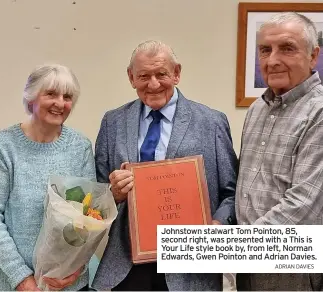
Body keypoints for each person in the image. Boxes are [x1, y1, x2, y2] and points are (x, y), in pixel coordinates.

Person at [91, 40, 238, 291]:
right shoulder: (113, 122)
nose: (154, 84)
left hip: (189, 268)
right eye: (144, 76)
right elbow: (95, 195)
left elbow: (232, 192)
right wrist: (113, 194)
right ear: (131, 77)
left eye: (161, 74)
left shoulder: (211, 122)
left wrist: (218, 224)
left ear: (177, 73)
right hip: (126, 266)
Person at [0, 64, 96, 291]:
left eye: (67, 97)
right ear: (31, 98)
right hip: (9, 282)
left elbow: (89, 216)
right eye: (51, 94)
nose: (60, 103)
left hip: (66, 283)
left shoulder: (80, 146)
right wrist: (21, 278)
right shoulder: (4, 146)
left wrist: (74, 269)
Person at [236, 12, 323, 291]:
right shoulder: (256, 109)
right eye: (265, 50)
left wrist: (235, 248)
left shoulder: (319, 112)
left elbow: (304, 205)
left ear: (313, 55)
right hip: (248, 268)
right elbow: (244, 185)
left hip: (291, 268)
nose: (272, 60)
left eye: (287, 48)